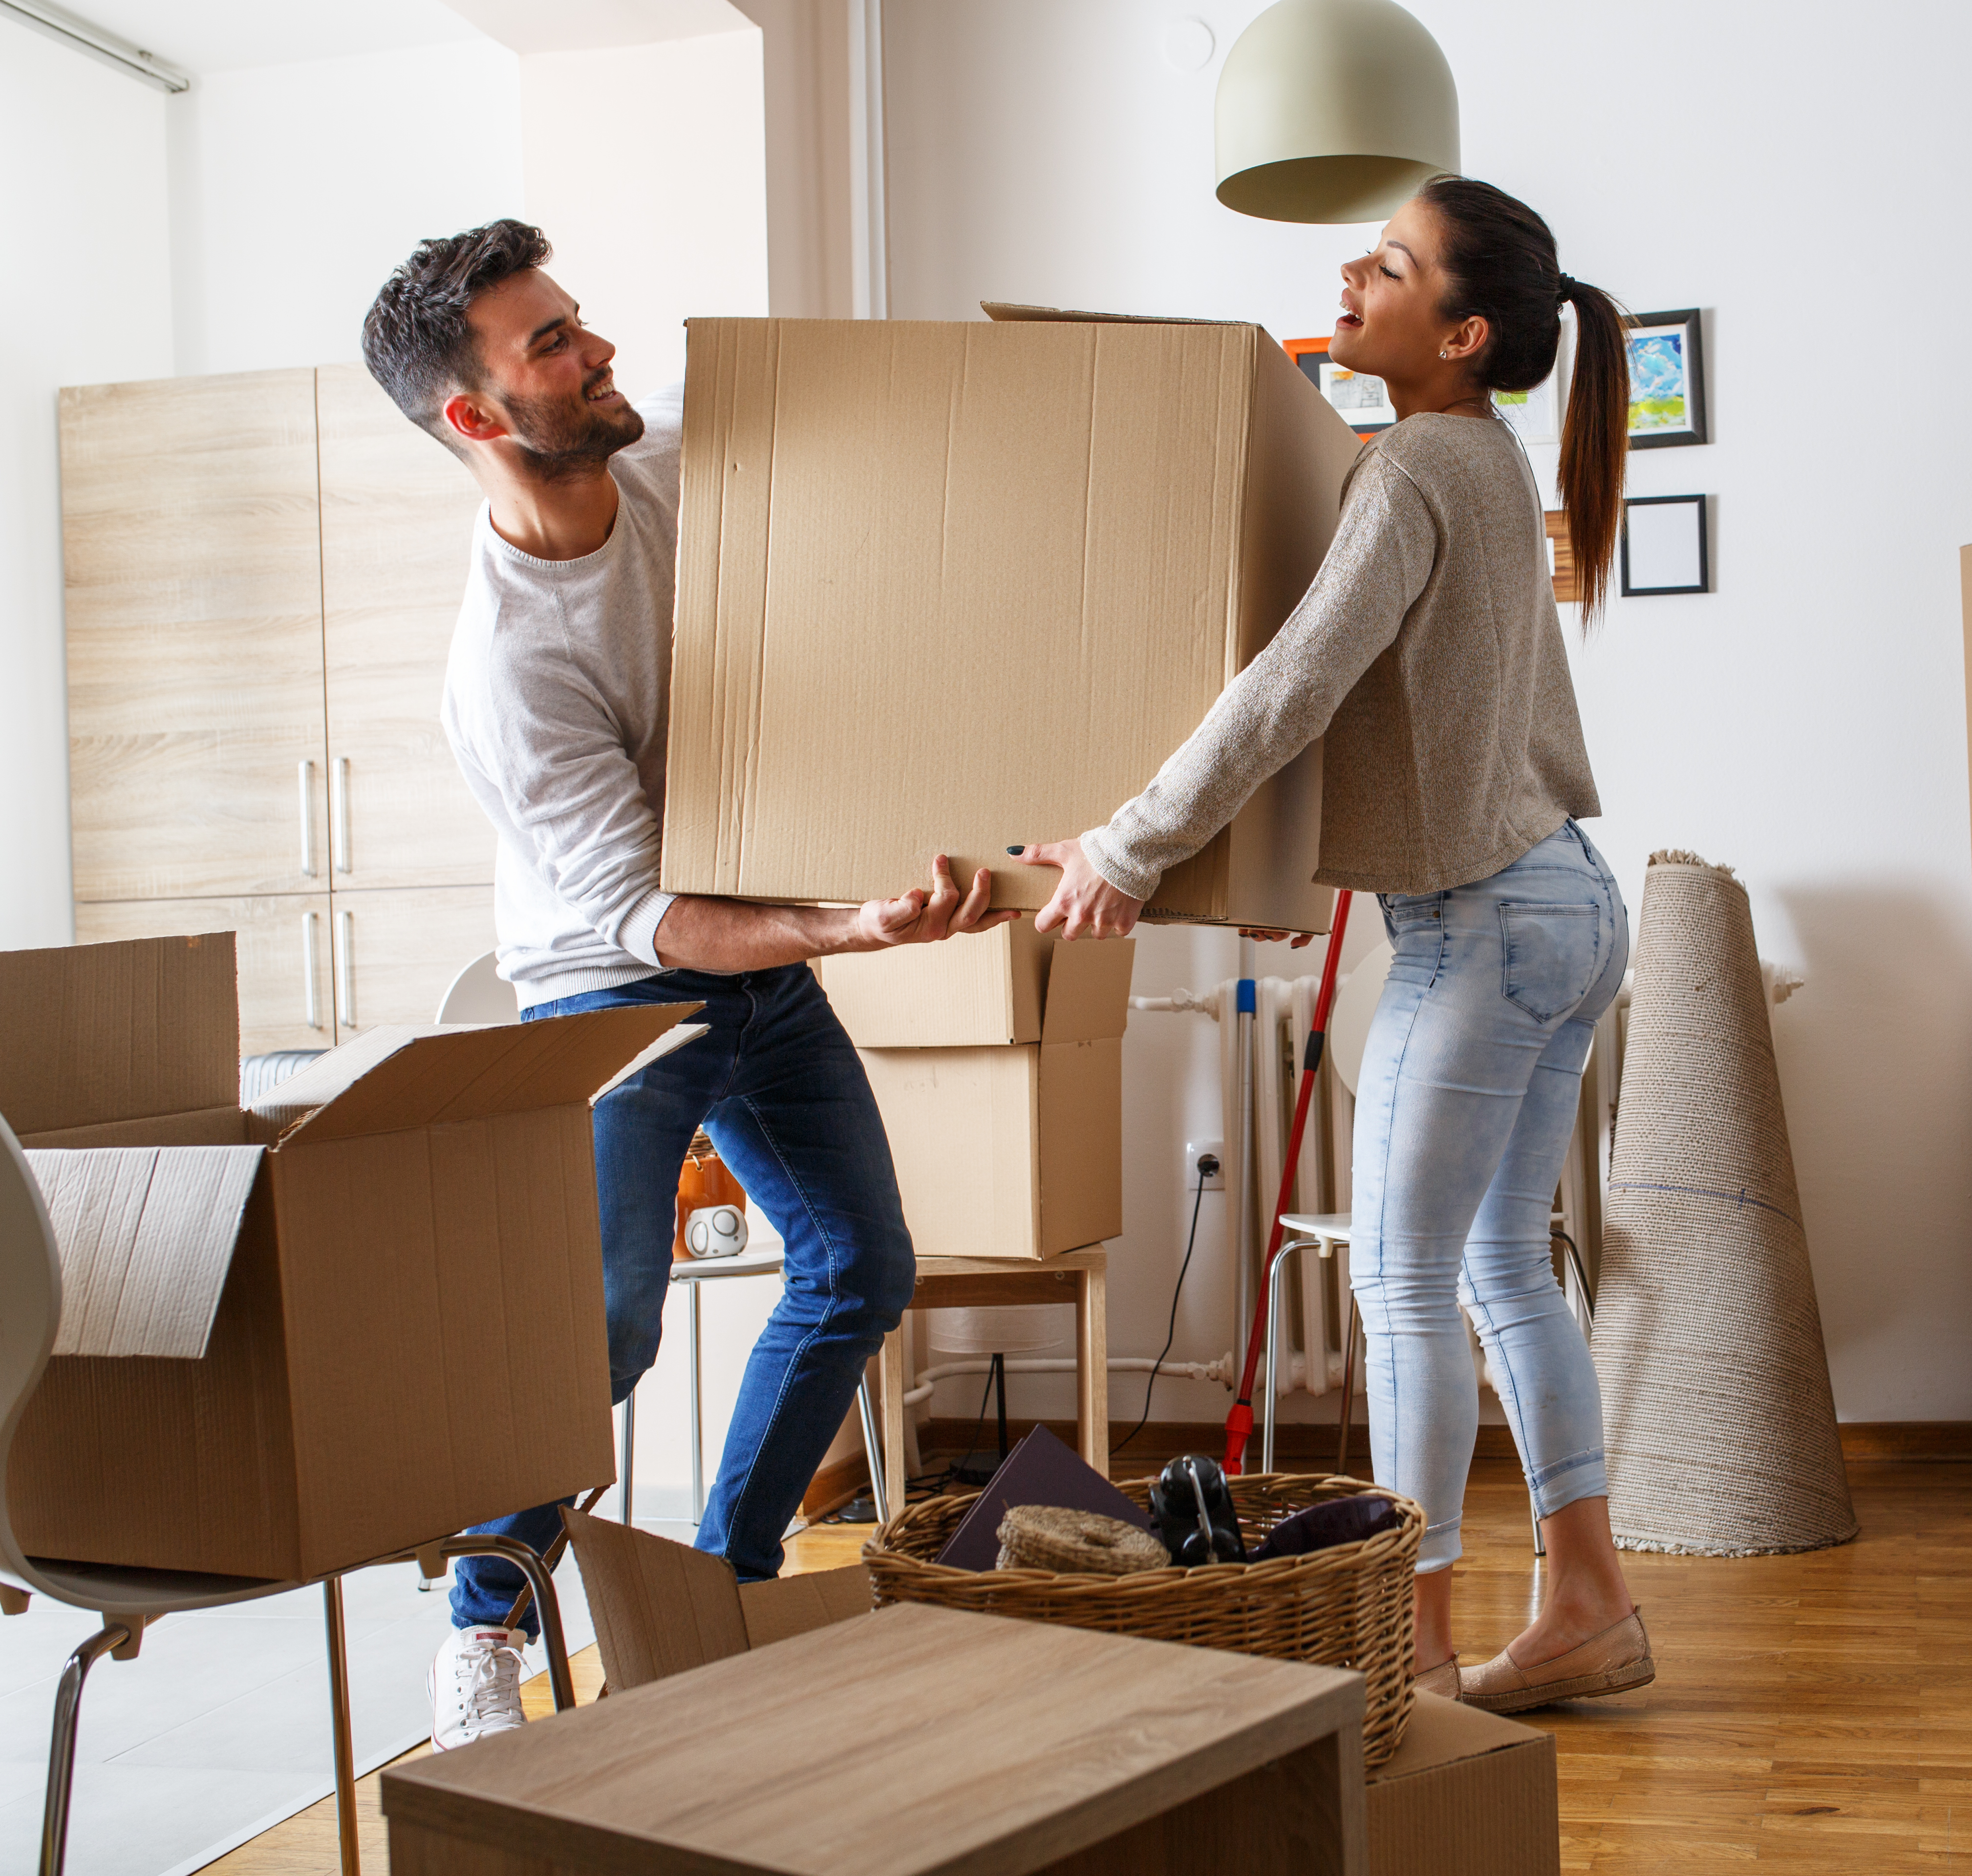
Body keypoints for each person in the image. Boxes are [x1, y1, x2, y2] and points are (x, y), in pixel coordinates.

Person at [361, 220, 1008, 1751]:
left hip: (762, 978)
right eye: (552, 347)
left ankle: (720, 1589)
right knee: (602, 1330)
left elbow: (840, 445)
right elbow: (653, 919)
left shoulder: (661, 473)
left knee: (860, 1266)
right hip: (614, 997)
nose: (596, 354)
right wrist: (852, 929)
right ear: (475, 417)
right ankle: (483, 1628)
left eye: (581, 323)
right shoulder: (508, 668)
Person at [1020, 177, 1650, 1714]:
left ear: (1465, 329)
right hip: (1566, 902)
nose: (1350, 276)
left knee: (1407, 1287)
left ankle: (1415, 1657)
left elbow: (1292, 684)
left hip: (1486, 925)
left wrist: (1130, 846)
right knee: (1503, 1263)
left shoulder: (1419, 463)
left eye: (1389, 264)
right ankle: (1589, 1609)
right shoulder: (1480, 457)